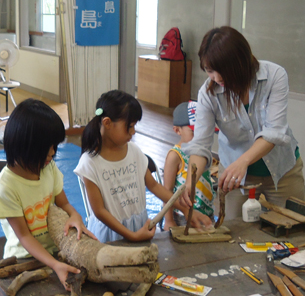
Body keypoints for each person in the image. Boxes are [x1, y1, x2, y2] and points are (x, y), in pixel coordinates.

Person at [181, 26, 305, 219]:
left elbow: (274, 131)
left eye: (224, 71)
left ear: (242, 62)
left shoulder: (274, 76)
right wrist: (191, 179)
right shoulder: (208, 93)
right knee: (235, 233)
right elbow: (200, 144)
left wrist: (243, 162)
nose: (218, 78)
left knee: (293, 226)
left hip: (282, 170)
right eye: (210, 70)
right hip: (234, 178)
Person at [74, 90, 212, 243]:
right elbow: (99, 211)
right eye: (130, 126)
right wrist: (131, 235)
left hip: (139, 227)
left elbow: (154, 185)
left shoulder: (133, 151)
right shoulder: (89, 163)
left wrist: (185, 209)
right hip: (110, 235)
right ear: (107, 123)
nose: (133, 132)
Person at [0, 98, 96, 291]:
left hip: (57, 251)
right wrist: (54, 264)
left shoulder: (48, 169)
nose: (53, 153)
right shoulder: (6, 186)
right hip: (23, 259)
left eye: (55, 146)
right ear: (28, 146)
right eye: (48, 147)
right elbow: (24, 236)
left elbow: (64, 204)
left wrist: (75, 216)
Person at [162, 101, 215, 231]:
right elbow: (166, 190)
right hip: (183, 216)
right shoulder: (175, 155)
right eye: (193, 131)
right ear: (177, 130)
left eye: (202, 131)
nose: (199, 136)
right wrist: (169, 220)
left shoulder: (204, 152)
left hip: (207, 213)